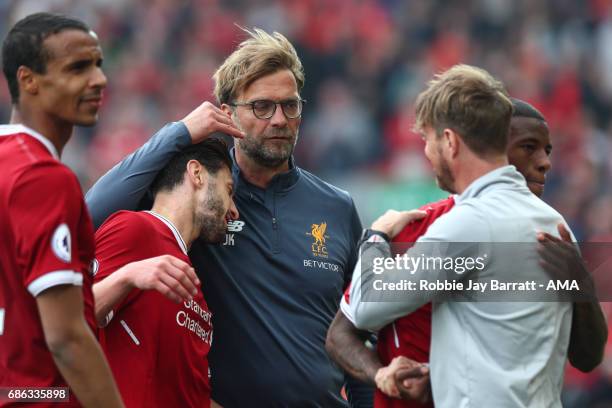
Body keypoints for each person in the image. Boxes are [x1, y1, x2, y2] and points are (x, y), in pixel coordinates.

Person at [85, 27, 362, 407]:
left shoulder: (338, 207)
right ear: (228, 115)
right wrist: (180, 132)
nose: (280, 119)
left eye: (290, 105)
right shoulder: (204, 200)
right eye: (262, 107)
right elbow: (91, 213)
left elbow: (360, 328)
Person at [326, 98, 608, 407]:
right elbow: (342, 331)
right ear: (493, 150)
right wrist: (382, 374)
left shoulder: (553, 234)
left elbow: (587, 356)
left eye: (547, 150)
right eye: (529, 147)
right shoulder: (419, 228)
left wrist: (580, 284)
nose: (544, 162)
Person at [0, 13, 123, 407]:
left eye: (98, 65)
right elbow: (66, 338)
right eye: (78, 68)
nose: (99, 80)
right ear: (28, 80)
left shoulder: (7, 162)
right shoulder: (43, 177)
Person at [93, 138, 235, 408]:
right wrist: (128, 275)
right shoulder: (135, 228)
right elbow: (68, 321)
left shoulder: (191, 280)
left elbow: (190, 394)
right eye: (229, 190)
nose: (234, 211)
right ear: (196, 173)